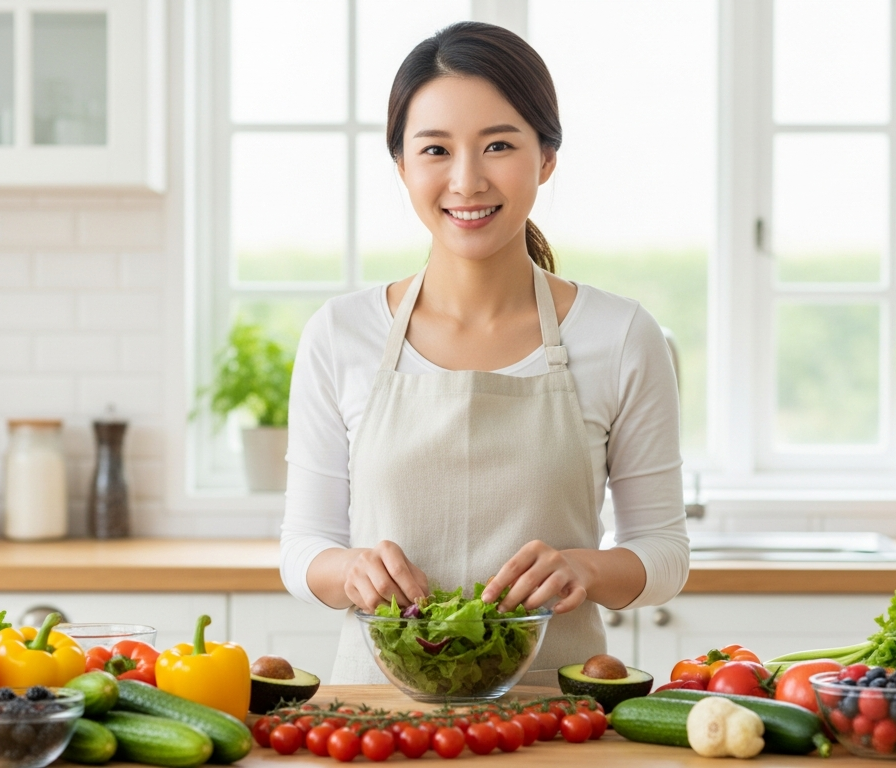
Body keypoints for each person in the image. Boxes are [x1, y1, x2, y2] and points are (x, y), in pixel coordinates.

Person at [280, 21, 689, 685]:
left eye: (498, 145)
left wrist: (583, 568)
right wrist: (350, 570)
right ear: (402, 166)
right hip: (379, 717)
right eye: (435, 150)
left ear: (546, 158)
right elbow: (303, 547)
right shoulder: (339, 334)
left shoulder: (619, 336)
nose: (467, 181)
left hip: (555, 716)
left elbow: (664, 553)